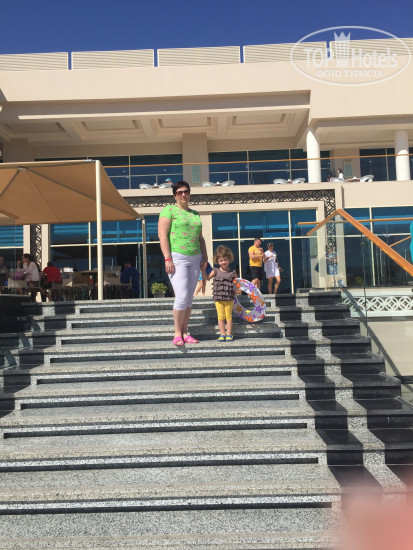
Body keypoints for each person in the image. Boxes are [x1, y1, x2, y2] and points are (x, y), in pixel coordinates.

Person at [158, 181, 208, 346]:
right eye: (179, 192)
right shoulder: (169, 210)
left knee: (188, 298)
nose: (183, 194)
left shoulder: (195, 214)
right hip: (177, 257)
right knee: (181, 296)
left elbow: (201, 238)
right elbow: (162, 235)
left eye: (186, 191)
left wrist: (205, 258)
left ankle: (185, 332)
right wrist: (167, 258)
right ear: (175, 196)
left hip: (195, 258)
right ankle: (177, 333)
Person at [203, 245, 237, 342]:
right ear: (217, 261)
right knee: (221, 316)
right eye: (221, 260)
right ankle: (222, 334)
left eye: (225, 260)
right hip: (218, 299)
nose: (223, 262)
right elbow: (206, 278)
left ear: (229, 259)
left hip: (229, 298)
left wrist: (237, 290)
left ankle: (229, 334)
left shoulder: (232, 273)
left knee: (229, 316)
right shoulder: (215, 271)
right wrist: (203, 270)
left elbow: (238, 283)